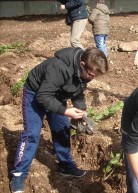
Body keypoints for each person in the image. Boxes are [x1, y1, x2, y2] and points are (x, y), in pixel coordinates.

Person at [9, 47, 108, 193]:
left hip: (56, 96)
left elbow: (78, 91)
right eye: (91, 75)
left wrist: (81, 111)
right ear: (82, 64)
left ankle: (66, 166)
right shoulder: (59, 67)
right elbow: (42, 97)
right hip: (35, 94)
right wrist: (66, 111)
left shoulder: (84, 73)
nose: (91, 78)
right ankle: (18, 174)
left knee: (61, 128)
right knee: (32, 134)